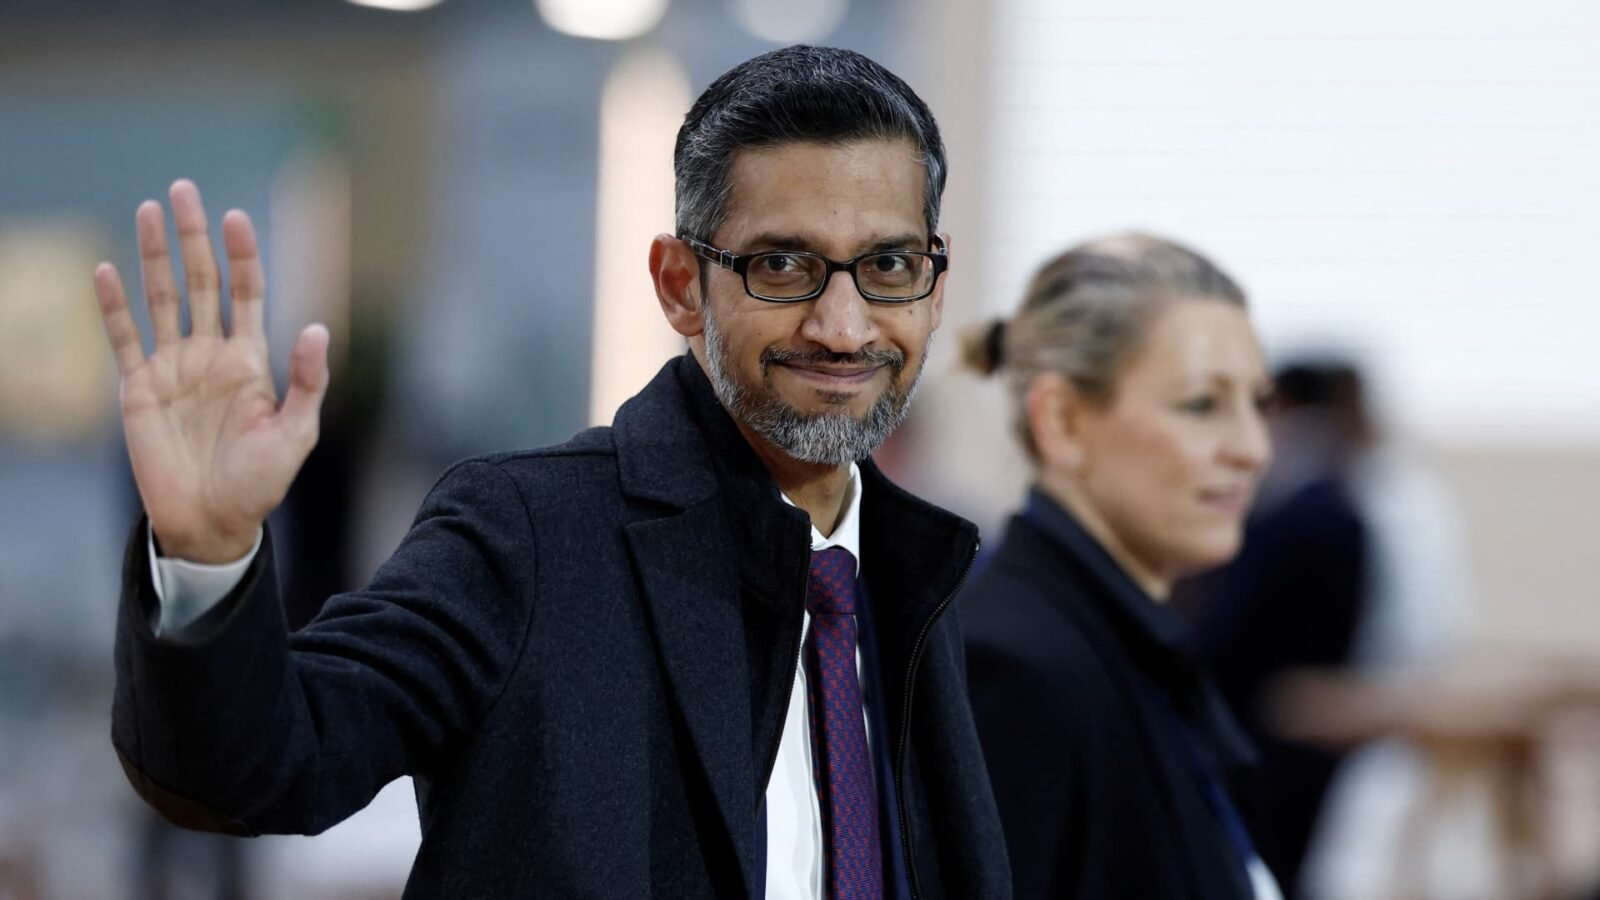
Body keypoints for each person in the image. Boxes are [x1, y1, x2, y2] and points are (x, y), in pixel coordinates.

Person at [92, 46, 1009, 899]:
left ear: (934, 279)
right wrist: (205, 549)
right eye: (782, 265)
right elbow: (266, 762)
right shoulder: (528, 534)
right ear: (680, 285)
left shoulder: (923, 576)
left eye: (887, 265)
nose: (843, 326)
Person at [959, 233, 1281, 899]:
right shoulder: (1016, 667)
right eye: (1202, 404)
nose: (1253, 448)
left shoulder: (1121, 644)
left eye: (1258, 402)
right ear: (1065, 422)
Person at [1178, 360, 1373, 898]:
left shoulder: (1304, 513)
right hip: (1293, 720)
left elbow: (1232, 629)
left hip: (1270, 723)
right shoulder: (1337, 505)